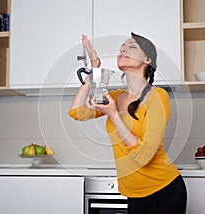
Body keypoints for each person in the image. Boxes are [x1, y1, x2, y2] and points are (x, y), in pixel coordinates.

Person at [69, 32, 187, 214]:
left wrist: (114, 115)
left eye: (132, 46)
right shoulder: (116, 97)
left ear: (147, 59)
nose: (123, 49)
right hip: (134, 194)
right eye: (121, 47)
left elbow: (143, 156)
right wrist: (95, 69)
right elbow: (78, 112)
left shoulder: (157, 96)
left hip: (164, 191)